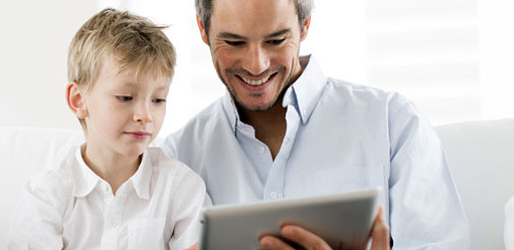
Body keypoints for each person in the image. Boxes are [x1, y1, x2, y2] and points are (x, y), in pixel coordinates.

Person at [161, 0, 470, 249]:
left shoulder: (392, 123)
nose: (257, 65)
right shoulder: (178, 157)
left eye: (276, 40)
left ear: (305, 25)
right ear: (203, 28)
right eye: (234, 42)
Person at [0, 8, 210, 250]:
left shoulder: (180, 187)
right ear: (79, 101)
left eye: (158, 100)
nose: (145, 114)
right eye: (125, 98)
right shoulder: (48, 194)